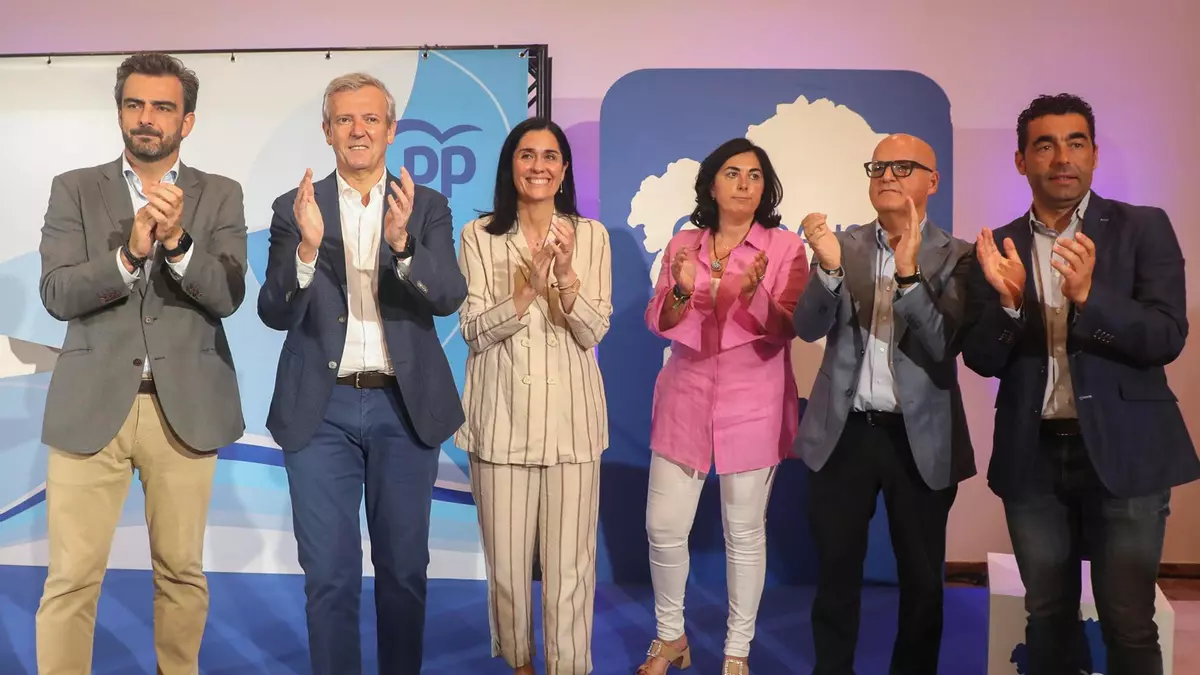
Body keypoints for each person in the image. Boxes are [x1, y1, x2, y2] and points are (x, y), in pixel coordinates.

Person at [961, 93, 1198, 675]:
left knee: (1129, 621)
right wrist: (1010, 304)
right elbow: (982, 358)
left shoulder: (1143, 227)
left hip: (1128, 451)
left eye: (1075, 143)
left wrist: (1091, 297)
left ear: (1093, 154)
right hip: (1033, 457)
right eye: (1045, 145)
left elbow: (1167, 336)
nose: (1062, 157)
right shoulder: (996, 247)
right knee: (1046, 618)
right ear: (1021, 160)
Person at [34, 51, 247, 675]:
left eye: (162, 107)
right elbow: (57, 293)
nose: (146, 118)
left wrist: (177, 243)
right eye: (134, 104)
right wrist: (127, 256)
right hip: (90, 407)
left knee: (181, 572)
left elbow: (228, 295)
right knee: (71, 578)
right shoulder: (74, 188)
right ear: (120, 112)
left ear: (187, 121)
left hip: (184, 411)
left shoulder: (221, 194)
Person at [257, 72, 467, 675]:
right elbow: (273, 311)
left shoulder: (425, 206)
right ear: (326, 131)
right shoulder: (294, 208)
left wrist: (404, 248)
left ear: (391, 130)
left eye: (371, 119)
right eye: (345, 119)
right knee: (329, 574)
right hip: (320, 411)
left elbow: (448, 295)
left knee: (404, 571)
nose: (358, 130)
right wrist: (305, 250)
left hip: (404, 407)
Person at [793, 133, 975, 675]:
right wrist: (828, 270)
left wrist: (909, 274)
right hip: (843, 433)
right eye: (878, 167)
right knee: (835, 575)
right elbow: (807, 327)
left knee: (921, 580)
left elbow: (943, 344)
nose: (887, 176)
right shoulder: (842, 245)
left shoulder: (959, 255)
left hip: (918, 439)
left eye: (902, 167)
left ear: (932, 181)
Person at [637, 138, 808, 675]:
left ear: (766, 188)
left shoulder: (785, 248)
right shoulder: (683, 244)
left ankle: (737, 651)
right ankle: (670, 639)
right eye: (732, 173)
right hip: (684, 398)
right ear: (711, 184)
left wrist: (755, 295)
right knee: (663, 527)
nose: (744, 184)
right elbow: (658, 321)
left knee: (744, 533)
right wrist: (682, 291)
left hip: (754, 404)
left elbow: (788, 328)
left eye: (755, 176)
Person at [455, 117, 612, 675]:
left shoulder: (591, 237)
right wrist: (523, 297)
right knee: (507, 567)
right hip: (501, 421)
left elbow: (593, 331)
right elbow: (473, 331)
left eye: (550, 157)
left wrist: (565, 277)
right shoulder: (478, 236)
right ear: (510, 166)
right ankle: (520, 663)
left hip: (573, 425)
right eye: (527, 155)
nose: (538, 166)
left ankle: (567, 667)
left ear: (564, 170)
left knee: (571, 568)